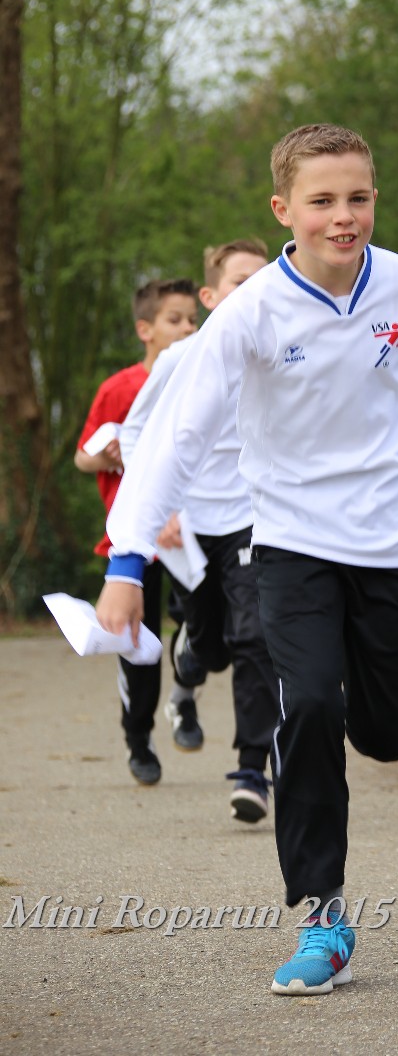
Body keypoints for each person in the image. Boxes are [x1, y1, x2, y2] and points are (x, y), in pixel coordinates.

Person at [92, 123, 398, 996]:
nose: (343, 216)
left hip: (396, 538)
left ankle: (361, 712)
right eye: (322, 201)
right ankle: (321, 913)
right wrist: (126, 562)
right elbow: (178, 439)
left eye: (358, 198)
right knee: (305, 705)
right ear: (283, 209)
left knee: (390, 734)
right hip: (292, 540)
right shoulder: (250, 313)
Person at [119, 239, 280, 823]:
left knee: (255, 637)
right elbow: (134, 435)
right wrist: (160, 507)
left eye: (263, 279)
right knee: (209, 648)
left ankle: (252, 770)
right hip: (185, 526)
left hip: (252, 520)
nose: (254, 291)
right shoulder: (178, 359)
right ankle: (187, 669)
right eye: (240, 281)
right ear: (211, 296)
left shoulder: (282, 354)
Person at [74, 277, 199, 785]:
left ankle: (185, 695)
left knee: (202, 628)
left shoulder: (203, 378)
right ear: (145, 329)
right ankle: (139, 738)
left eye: (193, 319)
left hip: (192, 535)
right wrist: (104, 454)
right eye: (175, 319)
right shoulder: (119, 389)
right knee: (137, 644)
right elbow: (83, 457)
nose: (187, 328)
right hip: (135, 540)